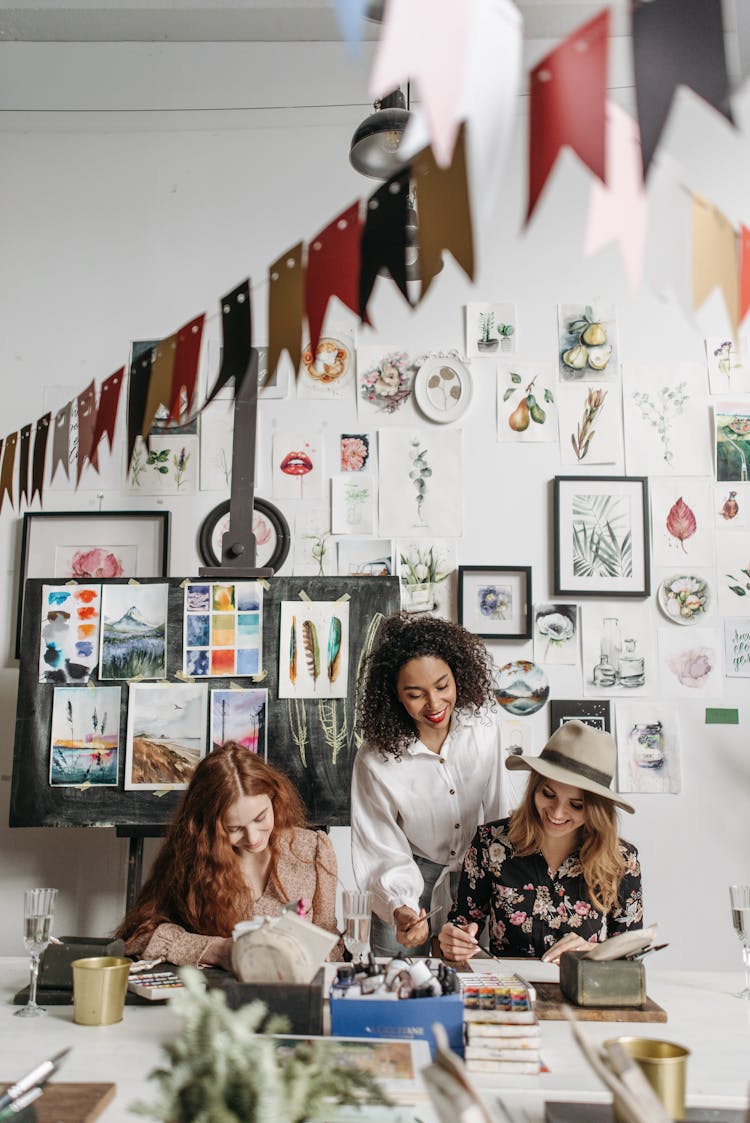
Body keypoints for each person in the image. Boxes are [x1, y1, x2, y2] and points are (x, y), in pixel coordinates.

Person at [351, 612, 506, 957]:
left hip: (474, 874)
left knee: (468, 984)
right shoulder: (375, 760)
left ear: (458, 675)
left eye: (442, 686)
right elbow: (380, 847)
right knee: (395, 984)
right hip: (406, 873)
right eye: (415, 694)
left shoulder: (484, 726)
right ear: (395, 696)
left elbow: (499, 811)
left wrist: (497, 880)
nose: (435, 705)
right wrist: (401, 905)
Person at [116, 743, 340, 968]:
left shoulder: (313, 850)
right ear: (209, 828)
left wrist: (323, 951)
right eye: (234, 829)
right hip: (217, 997)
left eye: (260, 818)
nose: (252, 838)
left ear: (274, 798)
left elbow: (332, 941)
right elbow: (138, 937)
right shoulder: (194, 856)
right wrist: (219, 950)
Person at [439, 720, 643, 964]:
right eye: (548, 794)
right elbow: (461, 924)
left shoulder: (621, 859)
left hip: (582, 992)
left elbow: (631, 956)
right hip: (509, 991)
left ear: (597, 810)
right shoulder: (490, 843)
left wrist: (591, 953)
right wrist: (454, 941)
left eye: (576, 805)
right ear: (534, 787)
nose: (556, 813)